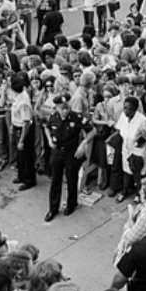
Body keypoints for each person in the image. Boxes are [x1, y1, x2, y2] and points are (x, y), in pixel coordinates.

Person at [44, 93, 90, 221]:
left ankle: (71, 204)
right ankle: (53, 209)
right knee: (55, 181)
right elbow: (47, 128)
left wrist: (83, 143)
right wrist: (49, 140)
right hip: (57, 152)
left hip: (72, 152)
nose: (65, 110)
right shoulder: (54, 117)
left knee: (71, 179)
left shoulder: (76, 117)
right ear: (57, 108)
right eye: (62, 108)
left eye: (67, 107)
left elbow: (92, 131)